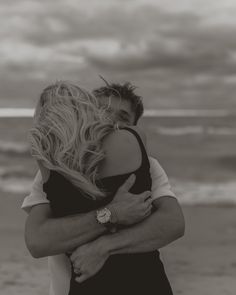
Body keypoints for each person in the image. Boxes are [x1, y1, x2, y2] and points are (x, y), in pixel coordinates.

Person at [22, 82, 185, 295]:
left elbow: (173, 223)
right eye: (103, 111)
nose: (111, 120)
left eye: (123, 117)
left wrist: (103, 247)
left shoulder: (150, 165)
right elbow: (38, 241)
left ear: (134, 124)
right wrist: (111, 214)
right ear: (86, 111)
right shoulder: (54, 170)